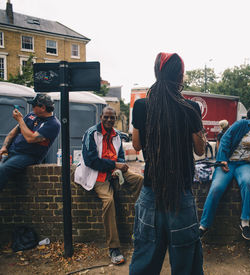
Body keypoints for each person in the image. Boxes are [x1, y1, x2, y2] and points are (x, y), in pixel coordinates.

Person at [129, 53, 206, 275]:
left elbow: (136, 145)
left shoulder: (142, 105)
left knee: (145, 257)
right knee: (186, 262)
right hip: (180, 194)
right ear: (180, 77)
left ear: (157, 73)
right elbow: (200, 149)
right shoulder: (191, 108)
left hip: (151, 192)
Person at [74, 106, 143, 265]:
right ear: (101, 117)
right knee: (109, 201)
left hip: (113, 172)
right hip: (97, 174)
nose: (109, 120)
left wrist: (118, 167)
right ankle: (114, 248)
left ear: (115, 119)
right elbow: (91, 161)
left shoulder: (117, 135)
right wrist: (114, 165)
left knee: (140, 180)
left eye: (112, 118)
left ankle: (140, 227)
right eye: (106, 117)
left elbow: (120, 158)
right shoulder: (91, 134)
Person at [199, 107, 250, 241]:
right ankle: (203, 225)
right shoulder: (242, 124)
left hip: (245, 165)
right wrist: (222, 159)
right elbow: (225, 139)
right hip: (228, 163)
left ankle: (245, 222)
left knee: (247, 183)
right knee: (216, 188)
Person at [0, 94, 60, 191]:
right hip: (13, 150)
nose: (32, 109)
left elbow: (31, 138)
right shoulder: (31, 115)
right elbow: (13, 132)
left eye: (34, 106)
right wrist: (4, 147)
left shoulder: (53, 124)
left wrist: (20, 120)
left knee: (3, 169)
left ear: (43, 108)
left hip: (28, 156)